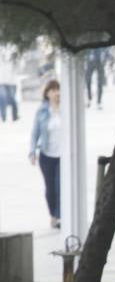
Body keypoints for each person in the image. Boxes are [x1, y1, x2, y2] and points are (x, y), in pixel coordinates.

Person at [28, 79, 60, 229]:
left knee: (60, 186)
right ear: (47, 93)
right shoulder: (41, 111)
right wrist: (32, 151)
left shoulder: (66, 109)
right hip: (46, 156)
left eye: (58, 89)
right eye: (53, 90)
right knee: (50, 189)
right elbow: (35, 133)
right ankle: (53, 214)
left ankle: (59, 216)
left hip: (62, 156)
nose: (57, 93)